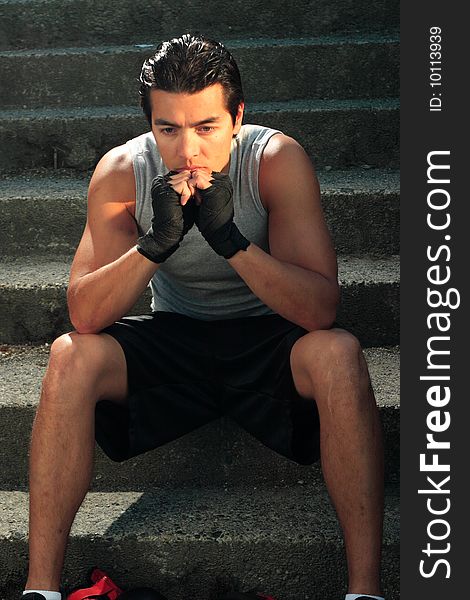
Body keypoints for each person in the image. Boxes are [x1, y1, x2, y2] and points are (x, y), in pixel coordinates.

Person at [22, 34, 384, 600]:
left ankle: (365, 590)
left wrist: (230, 240)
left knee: (338, 352)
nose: (188, 149)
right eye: (169, 129)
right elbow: (85, 314)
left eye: (206, 127)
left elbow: (320, 310)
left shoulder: (274, 161)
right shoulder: (123, 171)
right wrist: (155, 244)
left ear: (237, 117)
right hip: (176, 340)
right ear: (150, 126)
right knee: (70, 355)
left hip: (269, 339)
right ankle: (39, 588)